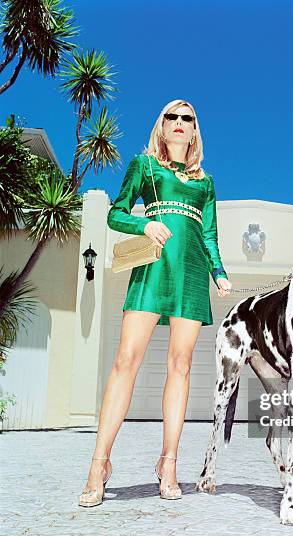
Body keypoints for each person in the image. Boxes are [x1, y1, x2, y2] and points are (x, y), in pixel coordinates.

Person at [78, 99, 232, 506]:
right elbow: (116, 214)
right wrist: (145, 223)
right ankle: (99, 462)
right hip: (152, 271)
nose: (180, 123)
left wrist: (219, 273)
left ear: (196, 130)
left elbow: (210, 234)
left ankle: (169, 463)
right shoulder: (145, 166)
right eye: (172, 117)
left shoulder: (206, 181)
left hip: (192, 275)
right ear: (161, 127)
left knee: (180, 366)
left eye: (188, 118)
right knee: (125, 361)